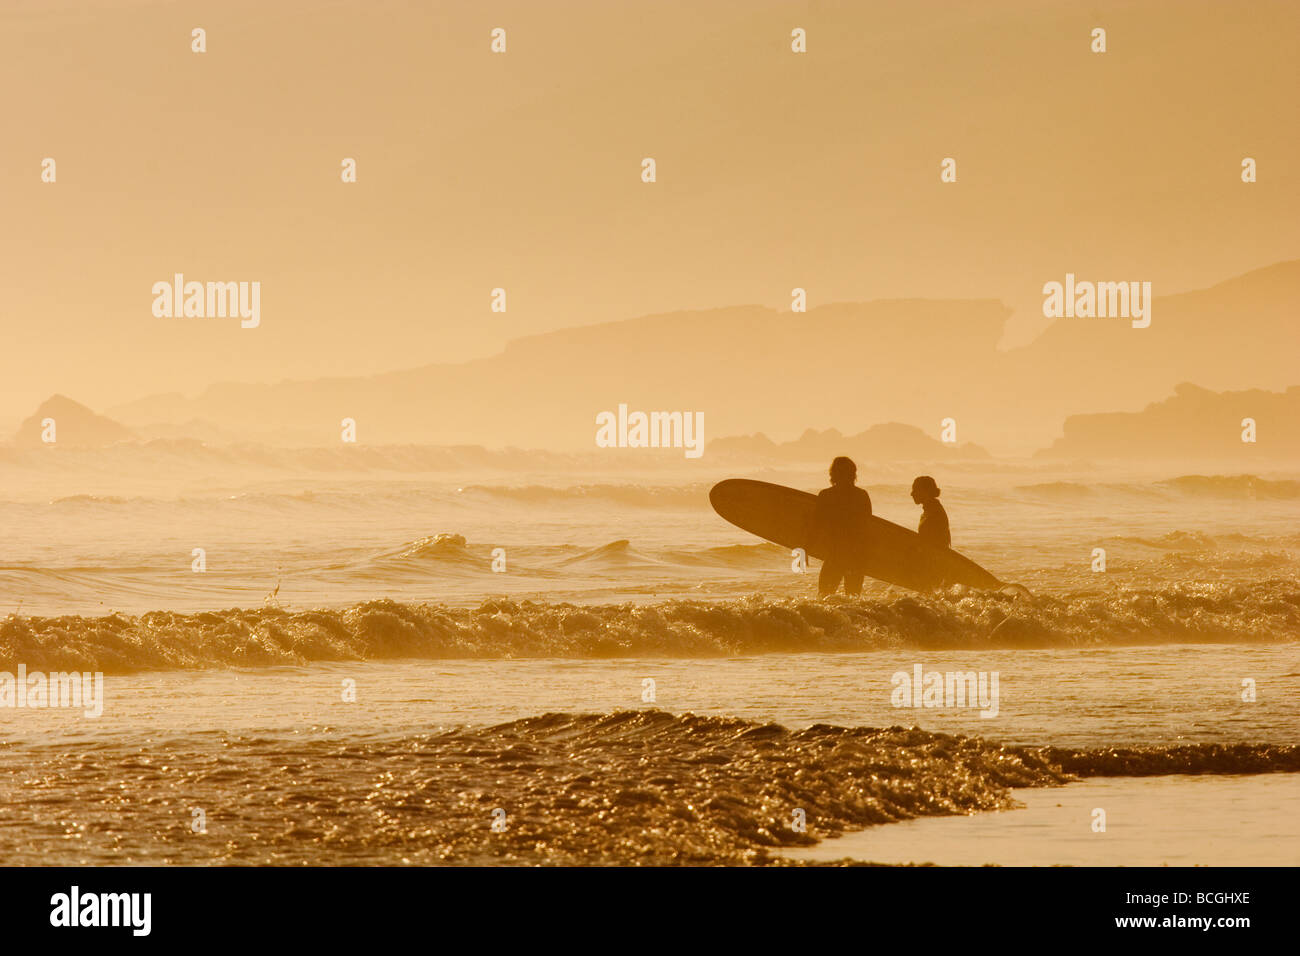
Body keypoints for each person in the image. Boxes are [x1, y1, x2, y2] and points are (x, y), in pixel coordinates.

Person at [806, 456, 872, 596]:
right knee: (854, 599)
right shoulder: (862, 495)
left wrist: (805, 549)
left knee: (824, 597)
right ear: (853, 474)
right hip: (856, 556)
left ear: (833, 474)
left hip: (835, 555)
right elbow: (867, 529)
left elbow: (816, 527)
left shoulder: (826, 496)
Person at [910, 475, 950, 548]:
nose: (911, 494)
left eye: (915, 490)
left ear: (925, 492)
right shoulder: (932, 509)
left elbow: (933, 546)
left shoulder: (934, 514)